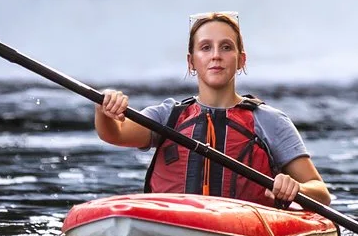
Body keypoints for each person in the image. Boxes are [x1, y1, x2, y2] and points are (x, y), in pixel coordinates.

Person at [95, 11, 331, 207]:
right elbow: (114, 133)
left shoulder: (270, 121)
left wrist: (296, 187)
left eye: (226, 47)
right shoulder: (168, 116)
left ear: (241, 60)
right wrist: (104, 106)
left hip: (245, 234)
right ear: (191, 61)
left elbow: (321, 192)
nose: (216, 55)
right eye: (206, 48)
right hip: (174, 225)